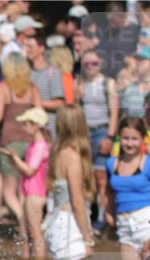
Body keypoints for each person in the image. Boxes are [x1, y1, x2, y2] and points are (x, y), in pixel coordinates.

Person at [45, 104, 96, 260]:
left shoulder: (58, 151)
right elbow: (77, 201)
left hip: (64, 222)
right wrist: (88, 239)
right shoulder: (72, 156)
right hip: (70, 226)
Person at [0, 52, 42, 228]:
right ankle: (27, 225)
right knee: (24, 187)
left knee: (9, 189)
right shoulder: (32, 87)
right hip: (29, 141)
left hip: (10, 142)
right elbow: (40, 113)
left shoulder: (2, 87)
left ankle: (22, 219)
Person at [76, 50, 119, 234]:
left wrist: (110, 137)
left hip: (102, 130)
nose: (91, 67)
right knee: (85, 176)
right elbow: (76, 109)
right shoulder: (80, 83)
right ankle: (85, 216)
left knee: (102, 179)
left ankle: (101, 218)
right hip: (84, 132)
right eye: (87, 64)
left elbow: (114, 112)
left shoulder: (109, 83)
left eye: (94, 63)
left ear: (101, 63)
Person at [0, 106, 51, 259]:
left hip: (35, 193)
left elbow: (29, 170)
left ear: (36, 125)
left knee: (35, 234)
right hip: (28, 191)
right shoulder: (34, 144)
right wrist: (14, 160)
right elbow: (26, 169)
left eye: (26, 124)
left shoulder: (41, 146)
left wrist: (15, 157)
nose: (23, 127)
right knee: (24, 232)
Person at [106, 116, 150, 260]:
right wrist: (109, 211)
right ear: (119, 138)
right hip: (124, 225)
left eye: (134, 139)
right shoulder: (111, 163)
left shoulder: (148, 163)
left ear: (143, 139)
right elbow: (109, 191)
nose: (130, 143)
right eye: (125, 138)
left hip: (146, 223)